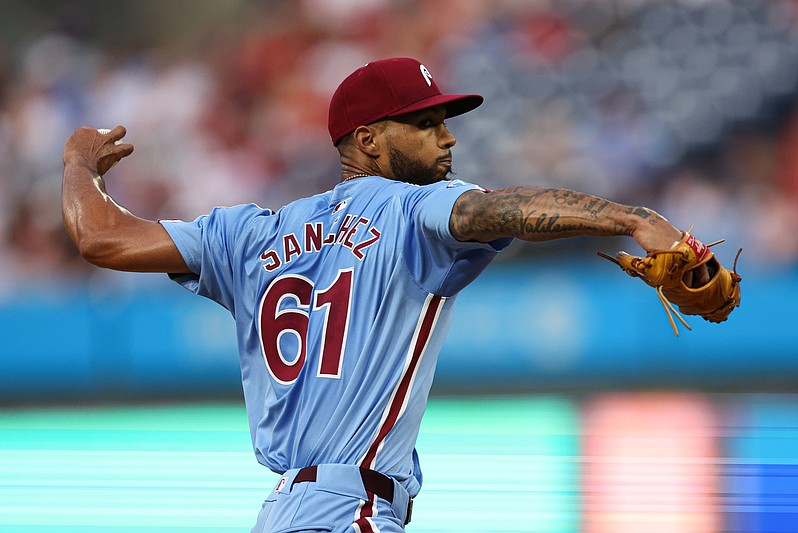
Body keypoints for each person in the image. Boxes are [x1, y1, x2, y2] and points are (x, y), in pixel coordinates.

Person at [62, 57, 692, 532]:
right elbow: (495, 211)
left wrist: (77, 167)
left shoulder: (246, 236)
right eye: (424, 124)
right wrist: (631, 218)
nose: (446, 139)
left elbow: (103, 238)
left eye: (444, 124)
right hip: (349, 508)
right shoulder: (410, 209)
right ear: (367, 139)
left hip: (283, 513)